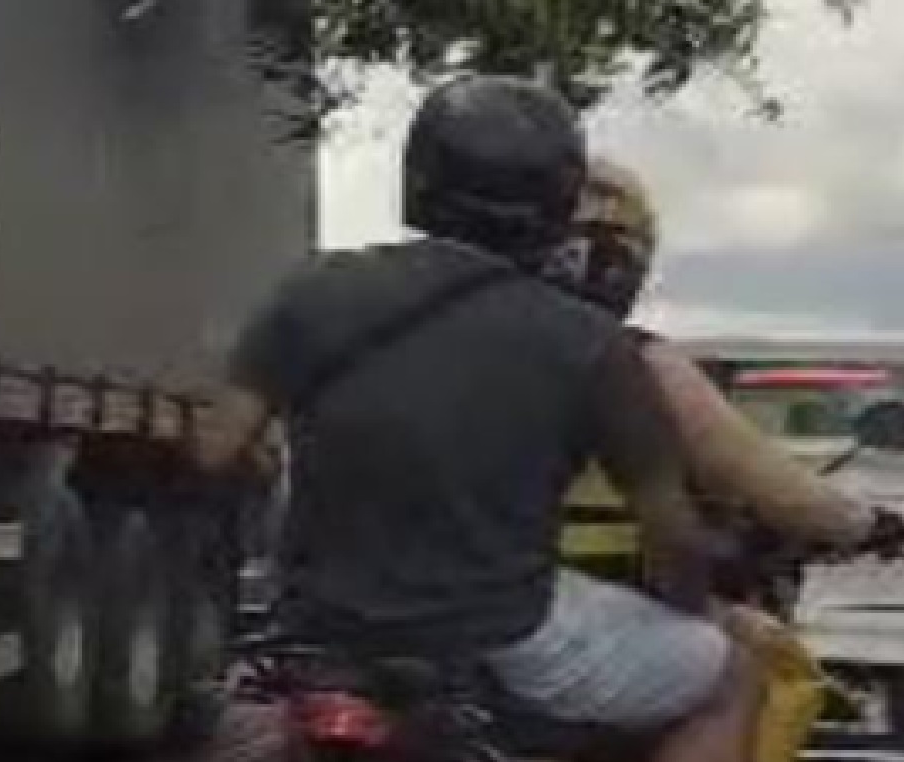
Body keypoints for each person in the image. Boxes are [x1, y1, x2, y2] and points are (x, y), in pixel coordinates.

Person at [199, 75, 759, 762]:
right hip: (504, 641)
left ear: (418, 178)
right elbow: (668, 535)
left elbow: (215, 451)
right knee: (732, 674)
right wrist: (695, 605)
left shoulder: (315, 289)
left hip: (321, 636)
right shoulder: (590, 343)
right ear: (557, 203)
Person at [550, 156, 902, 573]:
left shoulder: (465, 339)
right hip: (568, 601)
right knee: (738, 636)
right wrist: (875, 527)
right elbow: (781, 493)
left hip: (471, 599)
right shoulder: (633, 360)